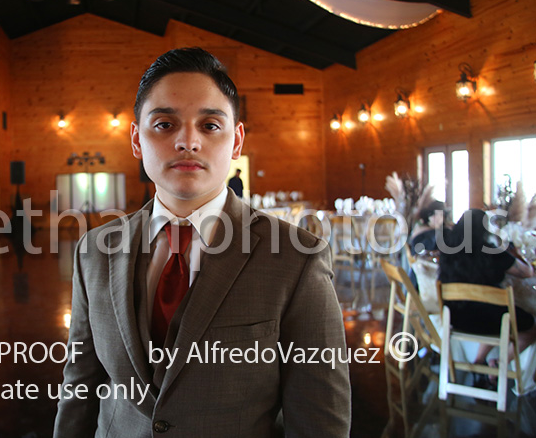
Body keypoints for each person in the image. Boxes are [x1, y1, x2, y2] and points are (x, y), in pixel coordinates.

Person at [54, 48, 350, 437]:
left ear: (236, 140)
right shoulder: (94, 252)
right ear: (137, 139)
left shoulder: (296, 260)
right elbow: (80, 386)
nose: (188, 142)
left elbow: (319, 419)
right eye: (164, 124)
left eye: (210, 125)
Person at [438, 209, 536, 375]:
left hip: (456, 317)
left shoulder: (447, 250)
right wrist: (519, 255)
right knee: (530, 326)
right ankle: (498, 364)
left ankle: (479, 361)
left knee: (496, 313)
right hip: (490, 318)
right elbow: (527, 273)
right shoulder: (492, 252)